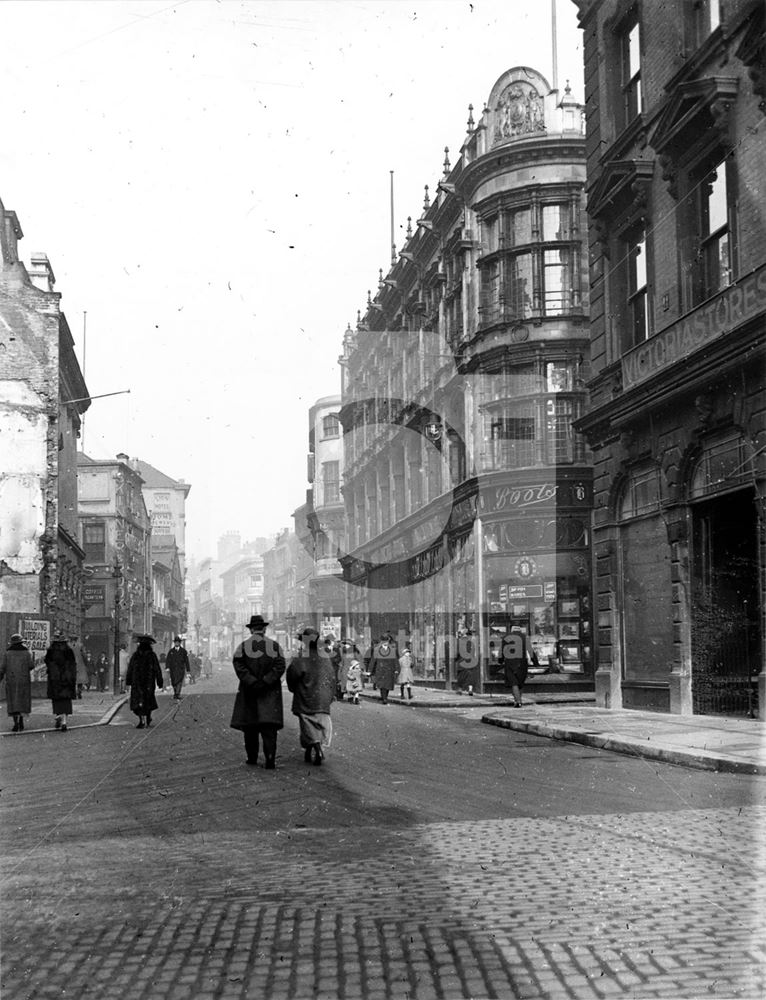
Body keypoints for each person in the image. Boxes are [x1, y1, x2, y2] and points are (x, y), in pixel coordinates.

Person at [229, 614, 285, 769]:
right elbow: (280, 666)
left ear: (251, 629)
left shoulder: (243, 646)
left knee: (250, 728)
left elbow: (239, 665)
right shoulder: (274, 646)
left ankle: (252, 758)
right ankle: (270, 759)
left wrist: (252, 681)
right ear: (264, 629)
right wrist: (267, 680)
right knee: (269, 729)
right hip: (270, 694)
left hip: (250, 693)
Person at [286, 627, 336, 765]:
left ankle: (317, 749)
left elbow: (292, 676)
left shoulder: (301, 657)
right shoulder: (325, 657)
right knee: (320, 724)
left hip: (306, 697)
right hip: (322, 698)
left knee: (307, 724)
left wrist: (293, 688)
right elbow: (332, 677)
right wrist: (330, 695)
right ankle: (309, 750)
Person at [125, 634, 163, 728]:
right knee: (147, 700)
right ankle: (147, 717)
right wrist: (159, 681)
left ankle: (142, 720)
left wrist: (128, 680)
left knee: (138, 701)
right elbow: (157, 669)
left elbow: (130, 669)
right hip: (148, 682)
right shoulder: (152, 655)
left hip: (137, 681)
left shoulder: (136, 655)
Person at [0, 633, 35, 732]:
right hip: (24, 680)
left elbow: (2, 668)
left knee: (13, 701)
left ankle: (15, 723)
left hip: (11, 680)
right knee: (22, 701)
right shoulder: (27, 652)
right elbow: (31, 665)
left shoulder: (7, 653)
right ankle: (21, 721)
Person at [44, 632, 77, 731]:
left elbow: (47, 662)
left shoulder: (51, 650)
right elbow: (73, 664)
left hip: (55, 679)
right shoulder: (69, 650)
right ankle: (64, 721)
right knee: (66, 700)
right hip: (67, 678)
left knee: (57, 700)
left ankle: (59, 715)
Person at [500, 629, 539, 707]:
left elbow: (502, 651)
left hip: (510, 662)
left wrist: (500, 660)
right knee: (520, 683)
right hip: (522, 663)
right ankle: (518, 700)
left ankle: (518, 701)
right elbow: (530, 650)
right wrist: (535, 662)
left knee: (514, 683)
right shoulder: (524, 637)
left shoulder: (506, 637)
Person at [366, 633, 398, 705]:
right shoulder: (377, 649)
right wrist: (369, 670)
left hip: (389, 670)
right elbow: (373, 660)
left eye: (387, 641)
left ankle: (385, 696)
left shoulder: (392, 649)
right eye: (384, 641)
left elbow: (395, 660)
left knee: (387, 685)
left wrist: (396, 669)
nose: (385, 643)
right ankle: (384, 698)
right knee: (382, 685)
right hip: (380, 669)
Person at [455, 628, 478, 695]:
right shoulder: (472, 643)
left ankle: (460, 689)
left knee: (461, 676)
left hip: (462, 661)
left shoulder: (460, 642)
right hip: (470, 662)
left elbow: (457, 653)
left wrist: (456, 659)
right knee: (470, 676)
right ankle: (470, 689)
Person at [70, 634, 87, 699]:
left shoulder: (68, 645)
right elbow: (84, 655)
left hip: (70, 664)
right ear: (76, 639)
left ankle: (73, 693)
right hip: (79, 664)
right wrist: (85, 663)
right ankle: (79, 691)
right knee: (80, 679)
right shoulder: (81, 645)